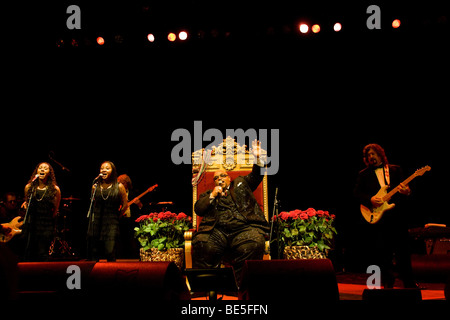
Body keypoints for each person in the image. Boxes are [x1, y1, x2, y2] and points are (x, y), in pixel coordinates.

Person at [192, 140, 270, 285]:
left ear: (229, 178)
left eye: (222, 176)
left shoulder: (241, 184)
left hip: (243, 229)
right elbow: (198, 209)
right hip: (216, 231)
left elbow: (257, 176)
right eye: (216, 178)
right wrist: (212, 196)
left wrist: (258, 158)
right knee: (201, 243)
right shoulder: (208, 194)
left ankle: (241, 286)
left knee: (254, 243)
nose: (219, 179)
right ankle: (209, 289)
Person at [354, 143, 417, 288]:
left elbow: (406, 190)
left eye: (373, 154)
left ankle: (409, 282)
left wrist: (407, 192)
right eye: (368, 155)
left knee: (403, 250)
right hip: (378, 218)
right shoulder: (363, 174)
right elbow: (356, 194)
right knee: (382, 251)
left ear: (380, 154)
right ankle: (387, 281)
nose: (371, 157)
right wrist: (370, 199)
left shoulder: (395, 170)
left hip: (397, 216)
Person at [87, 161, 128, 261]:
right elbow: (93, 203)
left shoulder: (119, 187)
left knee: (110, 250)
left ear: (113, 171)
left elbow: (125, 205)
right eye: (102, 168)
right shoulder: (95, 186)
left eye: (107, 168)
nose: (103, 170)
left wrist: (118, 215)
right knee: (94, 251)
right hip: (96, 220)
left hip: (111, 220)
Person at [22, 162, 61, 261]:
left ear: (49, 173)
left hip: (46, 225)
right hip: (32, 224)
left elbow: (55, 209)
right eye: (40, 168)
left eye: (45, 168)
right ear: (37, 171)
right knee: (29, 253)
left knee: (42, 253)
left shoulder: (55, 190)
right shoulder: (29, 188)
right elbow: (27, 203)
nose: (42, 170)